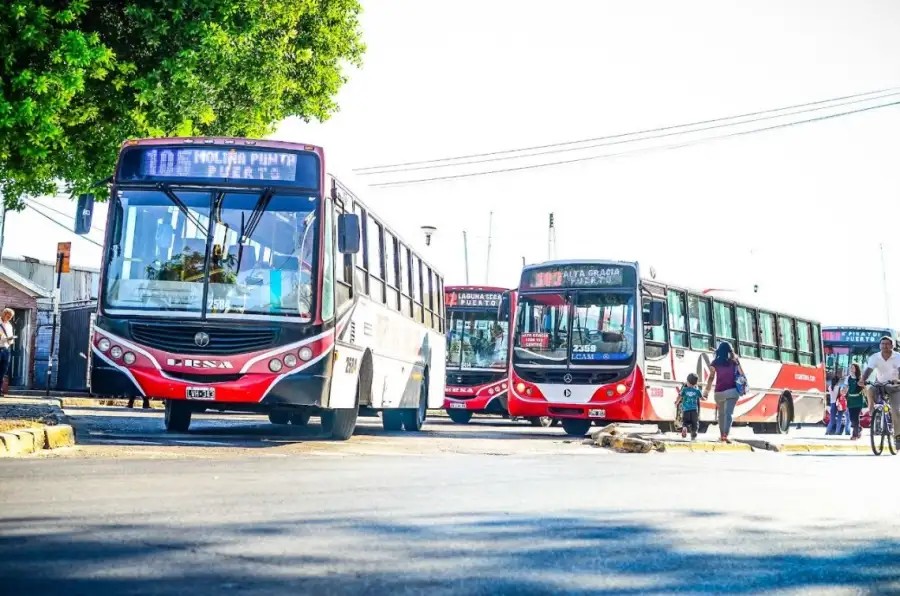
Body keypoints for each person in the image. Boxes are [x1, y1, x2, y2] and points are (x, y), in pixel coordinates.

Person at [861, 336, 900, 448]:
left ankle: (897, 436)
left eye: (887, 344)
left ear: (892, 346)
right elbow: (869, 369)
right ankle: (871, 407)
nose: (885, 346)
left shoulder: (898, 357)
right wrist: (862, 379)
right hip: (880, 384)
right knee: (870, 389)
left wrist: (898, 380)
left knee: (896, 411)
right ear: (880, 345)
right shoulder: (875, 357)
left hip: (895, 386)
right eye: (882, 344)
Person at [702, 341, 743, 443]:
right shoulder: (734, 362)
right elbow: (741, 374)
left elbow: (711, 378)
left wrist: (706, 392)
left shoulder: (715, 363)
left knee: (721, 415)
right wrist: (736, 360)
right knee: (728, 414)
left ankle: (721, 435)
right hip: (732, 392)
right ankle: (725, 435)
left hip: (719, 393)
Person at [677, 373, 703, 440]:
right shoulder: (697, 390)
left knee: (685, 421)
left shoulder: (684, 389)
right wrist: (705, 397)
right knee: (695, 423)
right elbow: (702, 397)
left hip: (686, 410)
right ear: (696, 383)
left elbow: (680, 396)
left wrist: (676, 402)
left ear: (687, 382)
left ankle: (685, 427)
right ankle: (693, 434)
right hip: (694, 410)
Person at [844, 363, 865, 440]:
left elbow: (864, 386)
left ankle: (855, 435)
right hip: (850, 400)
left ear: (856, 369)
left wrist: (862, 384)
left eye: (853, 368)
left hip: (858, 400)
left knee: (855, 418)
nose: (851, 369)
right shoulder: (848, 378)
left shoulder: (860, 378)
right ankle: (858, 428)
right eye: (850, 368)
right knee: (851, 418)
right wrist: (843, 391)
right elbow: (846, 388)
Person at [0, 308, 14, 396]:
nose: (9, 318)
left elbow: (10, 336)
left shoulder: (9, 325)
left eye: (11, 317)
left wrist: (11, 340)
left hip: (6, 349)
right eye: (8, 316)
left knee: (2, 371)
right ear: (4, 314)